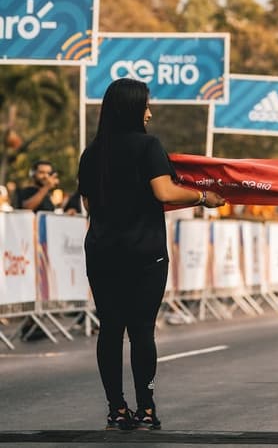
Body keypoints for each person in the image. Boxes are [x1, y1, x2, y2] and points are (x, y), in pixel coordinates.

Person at [78, 78, 225, 430]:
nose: (150, 112)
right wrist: (204, 197)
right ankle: (146, 407)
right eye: (145, 105)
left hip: (102, 252)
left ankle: (116, 408)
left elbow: (87, 203)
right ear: (132, 108)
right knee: (142, 330)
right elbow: (164, 190)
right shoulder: (148, 146)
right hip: (144, 253)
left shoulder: (92, 152)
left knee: (110, 330)